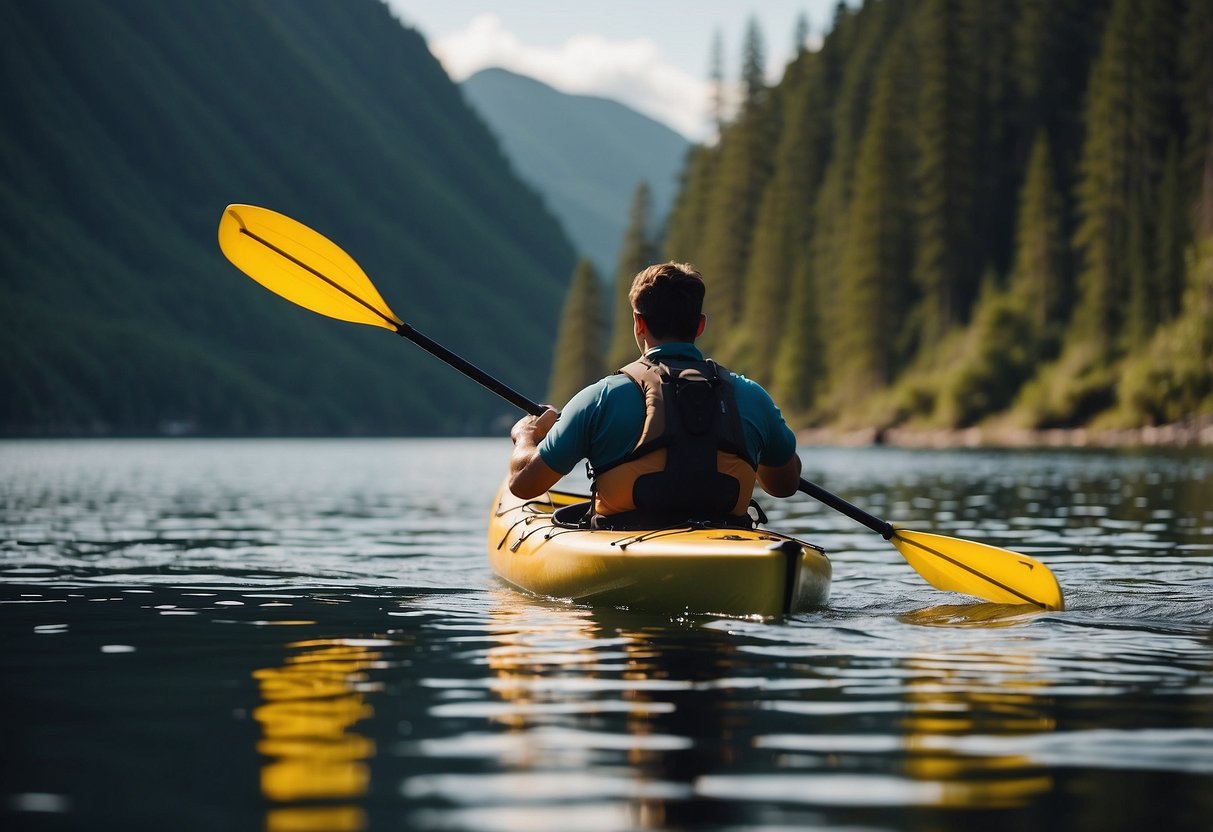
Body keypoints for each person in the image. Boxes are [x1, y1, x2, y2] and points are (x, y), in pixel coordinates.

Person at [509, 262, 802, 528]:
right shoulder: (751, 396)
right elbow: (784, 485)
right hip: (727, 540)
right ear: (700, 325)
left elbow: (524, 486)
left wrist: (527, 435)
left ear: (639, 323)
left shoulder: (600, 397)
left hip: (627, 543)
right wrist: (750, 439)